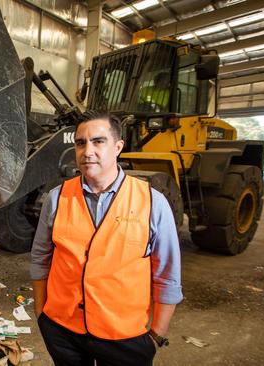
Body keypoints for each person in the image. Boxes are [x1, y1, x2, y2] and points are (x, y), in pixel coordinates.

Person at [31, 110, 182, 366]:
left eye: (98, 141)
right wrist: (42, 313)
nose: (87, 151)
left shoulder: (152, 202)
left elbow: (167, 274)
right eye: (80, 143)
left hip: (124, 337)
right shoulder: (57, 198)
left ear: (118, 147)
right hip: (63, 331)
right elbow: (40, 257)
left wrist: (156, 335)